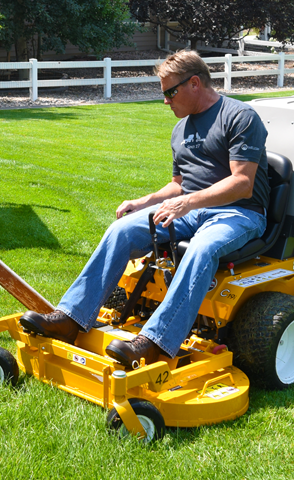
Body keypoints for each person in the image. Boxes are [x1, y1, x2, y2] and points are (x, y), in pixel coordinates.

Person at [19, 50, 270, 368]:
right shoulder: (181, 130)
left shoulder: (240, 116)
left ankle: (154, 342)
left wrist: (188, 201)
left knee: (201, 248)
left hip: (239, 213)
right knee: (121, 230)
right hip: (189, 210)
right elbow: (179, 184)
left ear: (194, 83)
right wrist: (144, 202)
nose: (166, 101)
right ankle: (71, 318)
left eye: (170, 92)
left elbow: (242, 183)